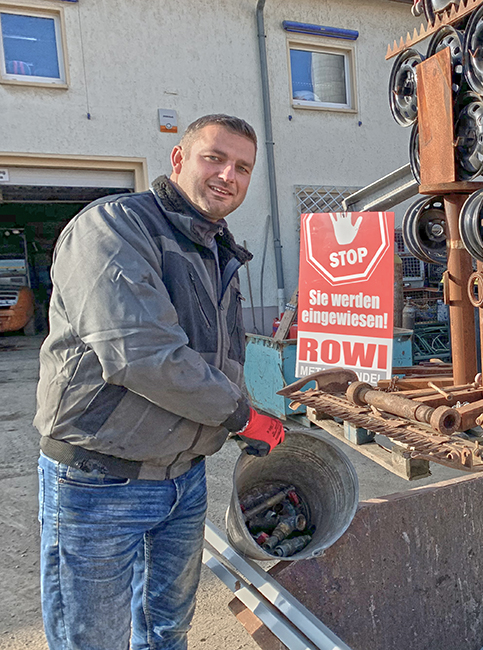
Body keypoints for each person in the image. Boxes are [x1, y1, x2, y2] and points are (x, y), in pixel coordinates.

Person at [34, 114, 285, 650]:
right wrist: (240, 414)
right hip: (100, 480)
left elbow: (215, 356)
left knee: (166, 628)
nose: (228, 176)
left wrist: (240, 409)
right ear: (178, 159)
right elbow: (142, 354)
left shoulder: (214, 246)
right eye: (214, 158)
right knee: (92, 640)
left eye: (242, 167)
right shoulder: (114, 227)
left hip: (183, 480)